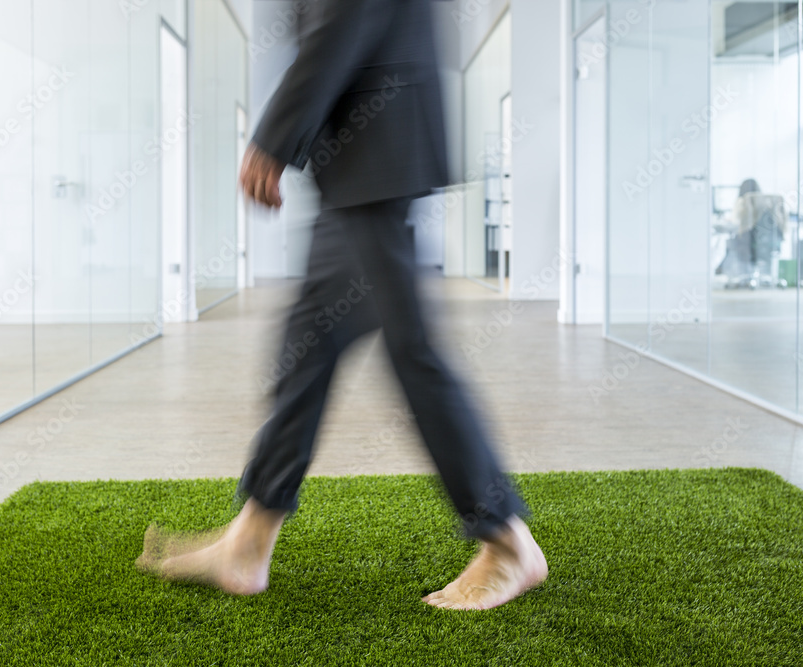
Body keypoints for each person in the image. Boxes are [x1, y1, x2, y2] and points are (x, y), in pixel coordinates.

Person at [136, 0, 547, 611]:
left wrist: (276, 135)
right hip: (358, 152)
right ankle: (250, 538)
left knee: (411, 348)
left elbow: (345, 13)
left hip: (377, 139)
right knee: (307, 345)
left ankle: (507, 539)